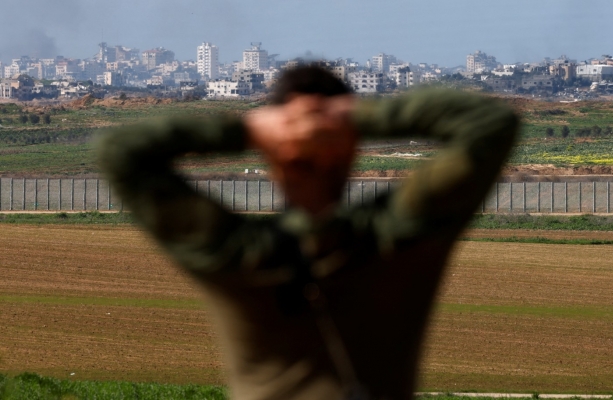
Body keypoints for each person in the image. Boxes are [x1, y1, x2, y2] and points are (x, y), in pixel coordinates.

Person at [98, 67, 518, 400]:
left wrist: (250, 128)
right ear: (351, 148)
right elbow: (489, 122)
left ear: (271, 156)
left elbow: (121, 152)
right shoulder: (396, 239)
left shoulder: (238, 256)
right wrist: (350, 117)